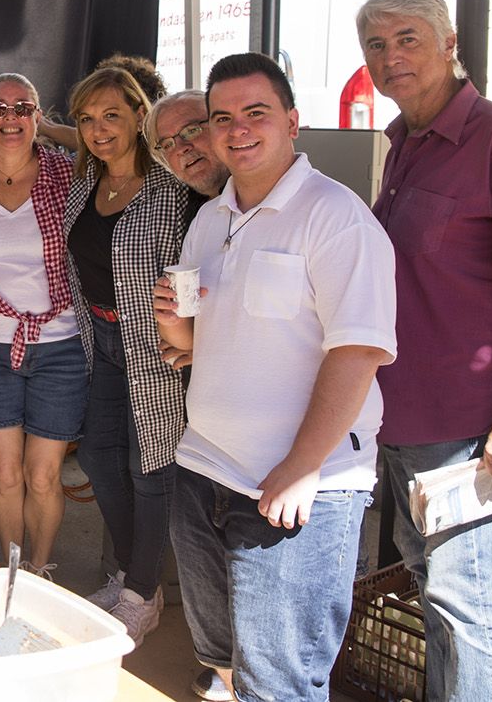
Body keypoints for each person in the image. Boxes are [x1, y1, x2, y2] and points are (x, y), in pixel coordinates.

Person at [156, 52, 397, 702]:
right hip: (202, 471)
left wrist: (303, 465)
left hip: (291, 490)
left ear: (293, 121)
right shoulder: (210, 219)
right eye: (222, 117)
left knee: (279, 683)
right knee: (225, 663)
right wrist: (176, 326)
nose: (238, 129)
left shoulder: (336, 216)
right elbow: (198, 347)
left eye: (256, 112)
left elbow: (358, 352)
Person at [357, 0, 492, 701]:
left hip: (467, 431)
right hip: (402, 419)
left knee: (470, 613)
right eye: (377, 45)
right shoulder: (405, 145)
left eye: (408, 38)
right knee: (439, 601)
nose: (391, 57)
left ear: (451, 44)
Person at [61, 64, 186, 644]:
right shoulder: (86, 185)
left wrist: (189, 343)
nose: (98, 129)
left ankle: (140, 590)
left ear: (141, 116)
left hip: (156, 347)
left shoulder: (170, 192)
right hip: (102, 342)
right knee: (97, 459)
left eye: (112, 115)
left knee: (150, 467)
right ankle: (136, 574)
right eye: (87, 119)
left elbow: (190, 274)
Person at [0, 74, 81, 577]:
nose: (10, 118)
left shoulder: (66, 173)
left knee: (44, 475)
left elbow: (128, 146)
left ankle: (39, 569)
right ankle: (11, 569)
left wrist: (50, 129)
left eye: (22, 108)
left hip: (61, 344)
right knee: (4, 472)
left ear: (38, 115)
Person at [145, 86, 234, 702]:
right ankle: (226, 672)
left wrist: (203, 344)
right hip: (204, 419)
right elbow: (191, 329)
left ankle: (256, 677)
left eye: (194, 130)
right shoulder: (205, 217)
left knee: (251, 562)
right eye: (169, 144)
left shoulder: (311, 208)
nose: (185, 149)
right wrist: (178, 330)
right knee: (194, 536)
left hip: (278, 436)